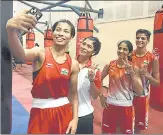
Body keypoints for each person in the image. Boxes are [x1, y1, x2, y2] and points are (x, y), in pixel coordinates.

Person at [6, 10, 79, 134]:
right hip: (40, 113)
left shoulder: (73, 64)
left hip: (64, 112)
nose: (61, 33)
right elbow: (20, 54)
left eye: (66, 31)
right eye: (58, 29)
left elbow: (73, 95)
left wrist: (75, 119)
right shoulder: (40, 53)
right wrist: (11, 30)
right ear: (52, 33)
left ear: (71, 37)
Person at [99, 40, 143, 134]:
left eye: (125, 49)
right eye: (120, 48)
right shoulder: (110, 65)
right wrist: (101, 96)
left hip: (126, 107)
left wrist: (131, 73)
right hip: (110, 105)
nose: (121, 51)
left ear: (130, 52)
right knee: (106, 132)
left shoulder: (134, 68)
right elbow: (98, 80)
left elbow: (139, 91)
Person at [132, 29, 160, 132]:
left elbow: (157, 83)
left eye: (143, 38)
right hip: (128, 95)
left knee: (138, 127)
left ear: (147, 41)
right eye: (138, 37)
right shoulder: (129, 56)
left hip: (142, 97)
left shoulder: (152, 58)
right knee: (127, 124)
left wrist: (148, 76)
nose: (139, 40)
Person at [75, 36, 102, 134]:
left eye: (89, 46)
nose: (85, 47)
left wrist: (91, 80)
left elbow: (95, 96)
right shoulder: (69, 63)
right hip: (66, 112)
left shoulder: (95, 70)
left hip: (84, 115)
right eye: (84, 44)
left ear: (93, 52)